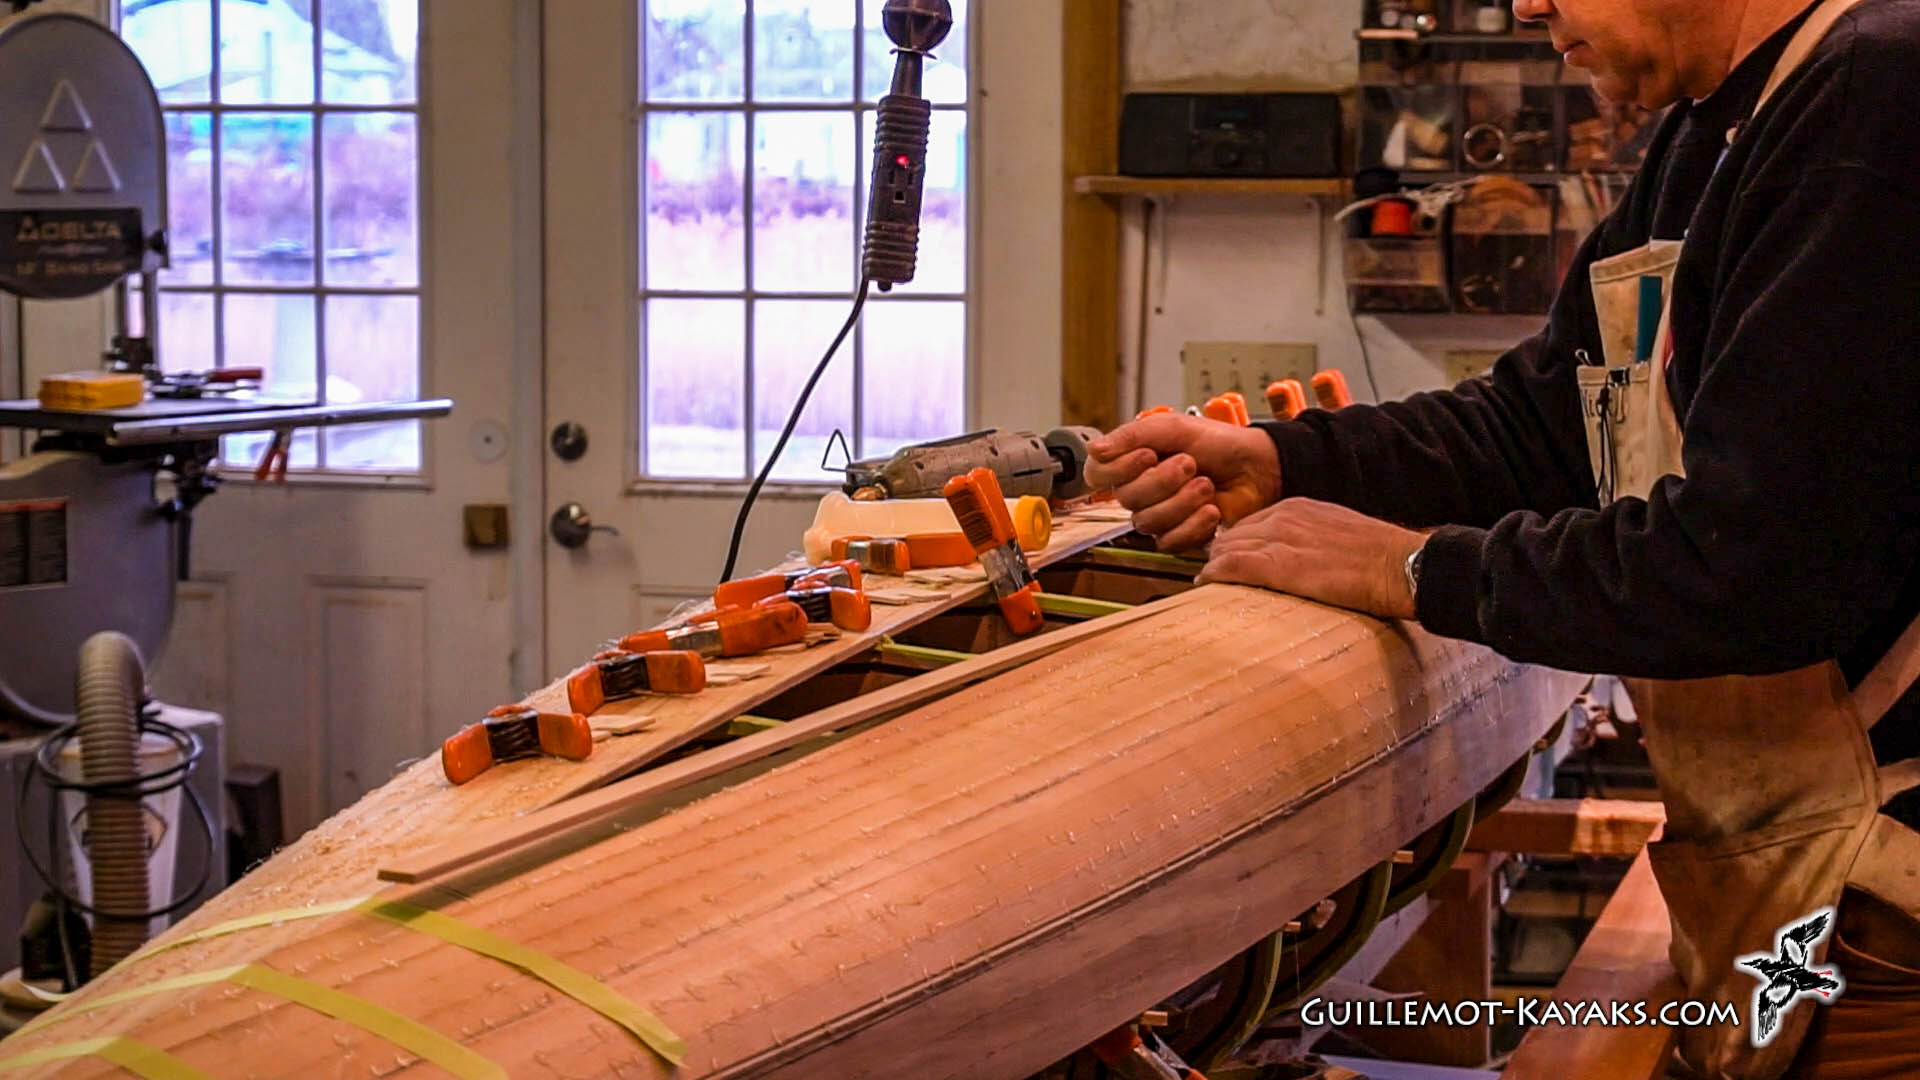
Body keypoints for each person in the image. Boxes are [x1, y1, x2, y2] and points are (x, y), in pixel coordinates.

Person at [1086, 0, 1920, 1076]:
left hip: (1885, 917)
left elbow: (1755, 570)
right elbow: (1547, 423)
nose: (1524, 4)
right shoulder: (1713, 134)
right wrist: (1289, 462)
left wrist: (1411, 567)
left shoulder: (1877, 98)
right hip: (1790, 891)